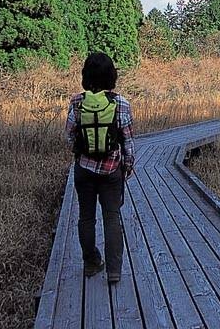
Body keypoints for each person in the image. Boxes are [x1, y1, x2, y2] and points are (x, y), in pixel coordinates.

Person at [65, 52, 135, 284]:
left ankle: (91, 263)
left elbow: (68, 137)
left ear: (86, 75)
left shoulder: (77, 102)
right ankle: (114, 271)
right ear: (111, 75)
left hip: (84, 169)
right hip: (111, 169)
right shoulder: (121, 103)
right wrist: (127, 164)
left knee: (86, 217)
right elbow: (128, 140)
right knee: (112, 217)